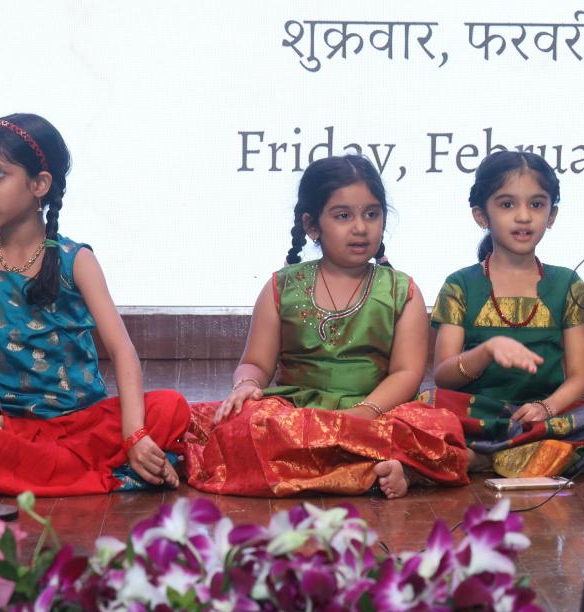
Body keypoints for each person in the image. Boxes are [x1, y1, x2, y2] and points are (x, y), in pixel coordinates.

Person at [0, 114, 189, 496]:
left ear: (39, 184)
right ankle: (95, 473)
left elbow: (123, 351)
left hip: (84, 423)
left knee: (171, 406)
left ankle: (65, 470)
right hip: (8, 422)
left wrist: (135, 435)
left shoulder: (75, 259)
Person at [183, 155, 469, 498]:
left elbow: (407, 373)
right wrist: (246, 384)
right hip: (298, 415)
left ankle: (384, 467)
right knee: (243, 422)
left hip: (374, 410)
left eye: (372, 214)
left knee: (437, 427)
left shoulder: (400, 290)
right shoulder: (282, 286)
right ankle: (372, 468)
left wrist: (363, 413)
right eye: (343, 216)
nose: (360, 227)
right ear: (312, 225)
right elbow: (257, 363)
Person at [424, 151, 584, 478]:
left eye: (537, 204)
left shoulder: (567, 284)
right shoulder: (460, 285)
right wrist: (486, 351)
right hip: (478, 416)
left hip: (545, 417)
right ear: (480, 215)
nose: (524, 216)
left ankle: (482, 458)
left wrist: (546, 408)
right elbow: (443, 375)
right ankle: (510, 455)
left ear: (552, 215)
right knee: (426, 403)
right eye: (507, 204)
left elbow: (580, 378)